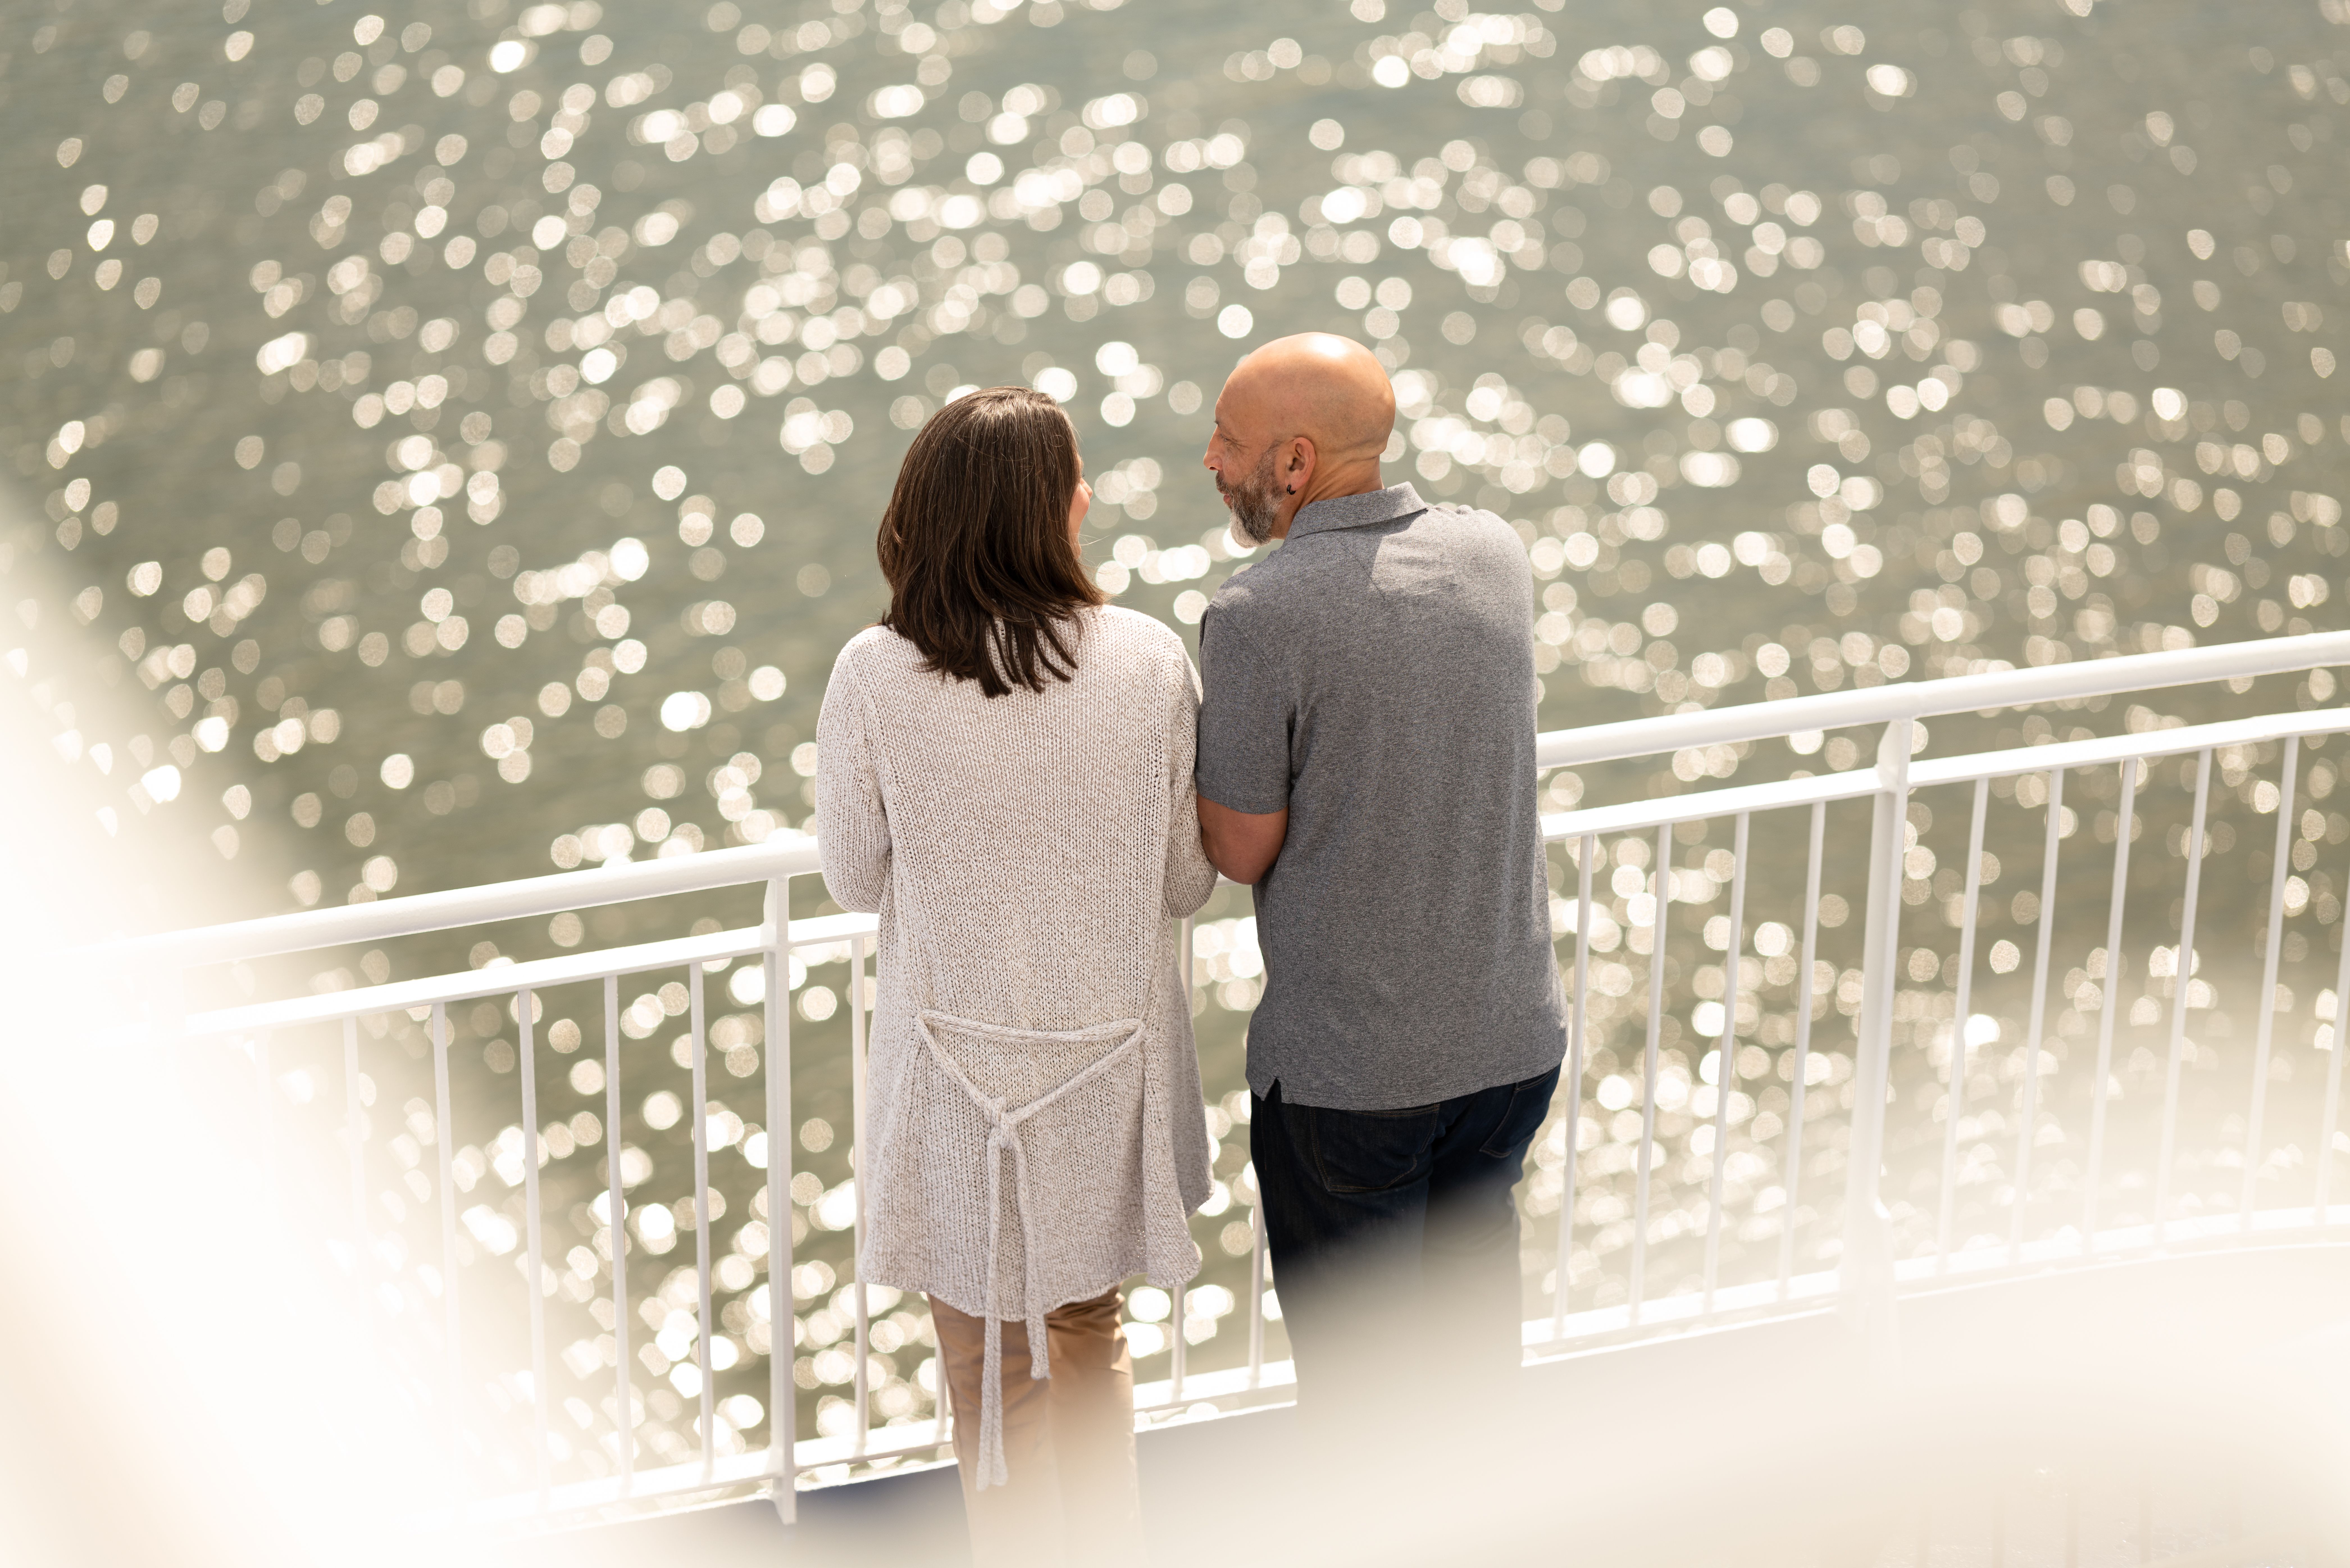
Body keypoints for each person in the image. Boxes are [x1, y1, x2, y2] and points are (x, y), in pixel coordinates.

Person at [816, 386, 1219, 1564]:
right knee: (1089, 1342)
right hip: (1102, 1068)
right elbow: (1189, 882)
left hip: (956, 1083)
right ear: (1061, 507)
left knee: (987, 1370)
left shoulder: (874, 674)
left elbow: (851, 876)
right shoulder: (1148, 660)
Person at [1192, 333, 1566, 1439]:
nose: (1209, 459)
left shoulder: (1257, 613)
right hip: (1506, 1048)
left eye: (1229, 439)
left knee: (1362, 1415)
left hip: (1354, 1081)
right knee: (1468, 1375)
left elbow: (1240, 847)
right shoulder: (1493, 551)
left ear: (1295, 464)